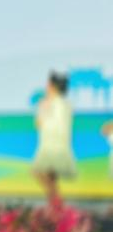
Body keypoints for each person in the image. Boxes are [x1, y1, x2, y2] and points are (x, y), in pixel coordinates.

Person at [32, 72, 76, 207]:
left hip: (50, 144)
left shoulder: (48, 102)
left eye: (48, 84)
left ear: (52, 86)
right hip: (60, 143)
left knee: (39, 173)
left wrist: (42, 108)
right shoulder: (66, 103)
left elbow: (39, 124)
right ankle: (55, 205)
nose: (46, 86)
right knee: (51, 177)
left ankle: (57, 203)